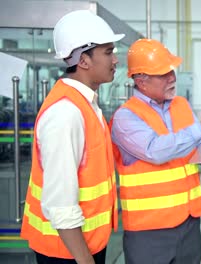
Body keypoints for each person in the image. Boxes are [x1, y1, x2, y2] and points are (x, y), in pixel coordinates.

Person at [111, 38, 201, 264]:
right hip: (149, 231)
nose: (172, 77)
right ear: (141, 80)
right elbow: (156, 151)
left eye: (171, 70)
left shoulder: (181, 105)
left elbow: (191, 151)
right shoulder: (126, 117)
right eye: (163, 73)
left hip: (189, 224)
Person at [20, 10, 124, 264]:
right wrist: (85, 260)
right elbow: (60, 205)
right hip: (67, 253)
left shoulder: (86, 104)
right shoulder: (66, 114)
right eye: (108, 52)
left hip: (85, 244)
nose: (116, 60)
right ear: (84, 60)